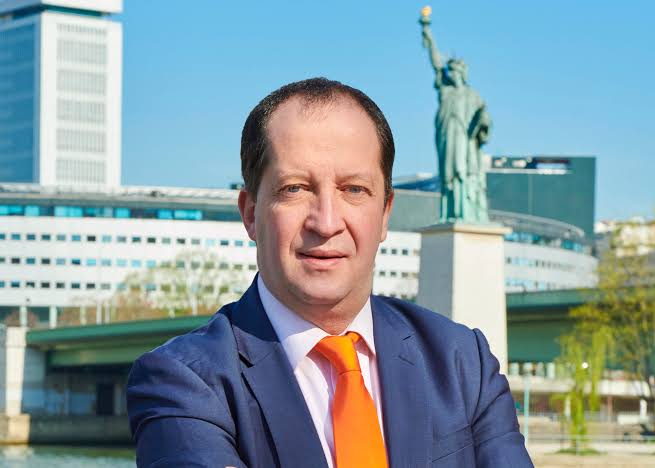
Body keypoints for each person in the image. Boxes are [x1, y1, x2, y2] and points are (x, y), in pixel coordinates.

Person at [126, 77, 533, 467]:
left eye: (354, 190)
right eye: (295, 189)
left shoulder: (463, 363)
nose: (326, 222)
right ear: (250, 214)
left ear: (385, 214)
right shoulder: (183, 381)